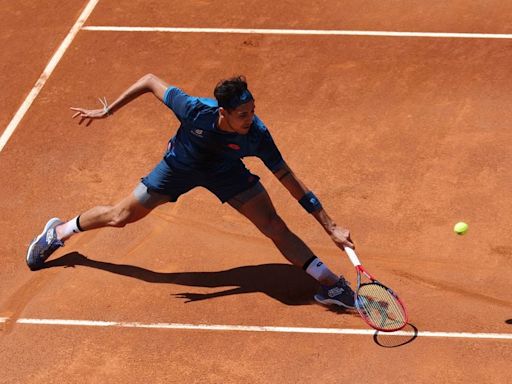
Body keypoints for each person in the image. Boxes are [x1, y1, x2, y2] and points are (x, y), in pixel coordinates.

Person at [26, 74, 355, 308]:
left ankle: (329, 283)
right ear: (222, 111)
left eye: (252, 111)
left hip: (226, 172)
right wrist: (109, 109)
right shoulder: (194, 109)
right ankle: (59, 231)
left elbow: (289, 178)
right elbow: (150, 80)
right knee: (119, 216)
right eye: (243, 114)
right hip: (178, 168)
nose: (250, 119)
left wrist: (330, 226)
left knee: (274, 226)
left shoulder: (256, 134)